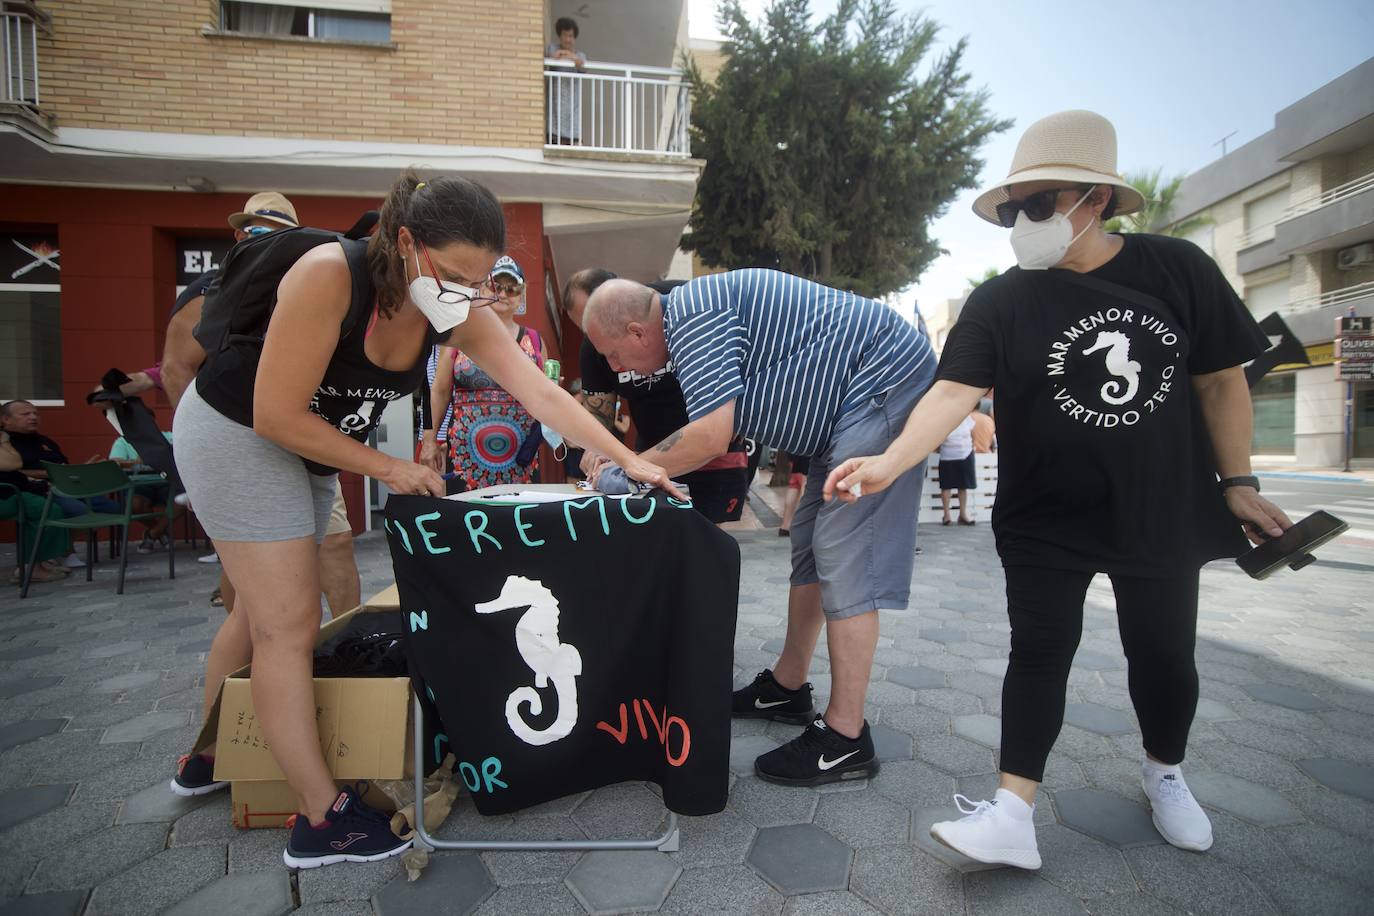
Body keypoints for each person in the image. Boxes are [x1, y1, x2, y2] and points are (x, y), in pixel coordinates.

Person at [825, 110, 1294, 869]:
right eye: (1015, 208)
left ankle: (1165, 773)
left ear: (1096, 200)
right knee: (1039, 651)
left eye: (1041, 204)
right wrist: (891, 460)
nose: (1024, 222)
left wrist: (1237, 482)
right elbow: (953, 392)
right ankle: (1013, 813)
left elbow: (1219, 382)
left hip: (1159, 507)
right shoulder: (999, 300)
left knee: (1163, 654)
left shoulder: (1176, 269)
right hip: (1044, 512)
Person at [171, 170, 675, 868]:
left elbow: (541, 395)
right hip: (237, 431)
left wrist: (631, 460)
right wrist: (389, 468)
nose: (467, 294)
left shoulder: (453, 305)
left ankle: (208, 756)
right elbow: (274, 414)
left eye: (481, 280)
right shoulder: (329, 275)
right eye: (456, 275)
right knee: (286, 624)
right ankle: (321, 821)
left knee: (261, 612)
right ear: (407, 243)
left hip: (308, 445)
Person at [582, 270, 935, 786]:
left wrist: (623, 468)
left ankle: (846, 738)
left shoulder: (693, 316)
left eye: (614, 355)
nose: (616, 369)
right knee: (809, 541)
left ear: (637, 331)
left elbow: (710, 436)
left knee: (845, 551)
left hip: (882, 384)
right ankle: (787, 688)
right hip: (846, 411)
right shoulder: (691, 315)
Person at [563, 269, 752, 524]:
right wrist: (597, 449)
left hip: (712, 455)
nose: (614, 365)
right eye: (584, 326)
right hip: (650, 450)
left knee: (708, 539)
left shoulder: (682, 307)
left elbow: (737, 359)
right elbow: (598, 417)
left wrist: (741, 414)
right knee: (659, 538)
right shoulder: (594, 349)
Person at [422, 256, 549, 489]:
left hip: (522, 458)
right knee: (464, 511)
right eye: (495, 286)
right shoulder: (459, 335)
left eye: (511, 289)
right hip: (464, 457)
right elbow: (439, 391)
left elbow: (547, 394)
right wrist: (429, 440)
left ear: (521, 294)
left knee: (519, 512)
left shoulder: (534, 340)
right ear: (482, 288)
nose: (503, 294)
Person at [1, 400, 118, 568]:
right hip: (35, 489)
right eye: (25, 414)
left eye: (35, 413)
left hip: (66, 484)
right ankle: (60, 552)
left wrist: (82, 469)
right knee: (80, 512)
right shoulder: (5, 445)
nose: (33, 417)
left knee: (112, 509)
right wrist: (47, 474)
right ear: (6, 419)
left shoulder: (44, 441)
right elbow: (10, 473)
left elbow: (63, 466)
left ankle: (60, 550)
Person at [0, 426, 70, 584]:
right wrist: (4, 441)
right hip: (5, 496)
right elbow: (14, 463)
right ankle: (32, 568)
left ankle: (40, 563)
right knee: (46, 510)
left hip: (13, 491)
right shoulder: (4, 440)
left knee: (45, 507)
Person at [108, 431, 181, 551]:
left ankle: (153, 534)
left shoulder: (169, 437)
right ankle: (161, 533)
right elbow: (115, 463)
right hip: (139, 483)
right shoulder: (123, 441)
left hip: (167, 482)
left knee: (184, 499)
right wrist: (134, 462)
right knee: (135, 503)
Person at [546, 17, 587, 145]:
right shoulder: (552, 48)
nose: (568, 39)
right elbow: (552, 57)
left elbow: (582, 66)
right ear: (560, 35)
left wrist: (568, 56)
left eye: (571, 36)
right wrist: (568, 56)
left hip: (572, 102)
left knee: (573, 134)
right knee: (555, 133)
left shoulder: (580, 55)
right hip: (556, 101)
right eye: (565, 35)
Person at [937, 414, 976, 526]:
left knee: (963, 485)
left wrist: (972, 446)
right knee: (946, 485)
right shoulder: (942, 418)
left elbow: (972, 432)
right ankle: (946, 515)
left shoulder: (966, 416)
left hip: (965, 452)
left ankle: (963, 514)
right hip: (948, 454)